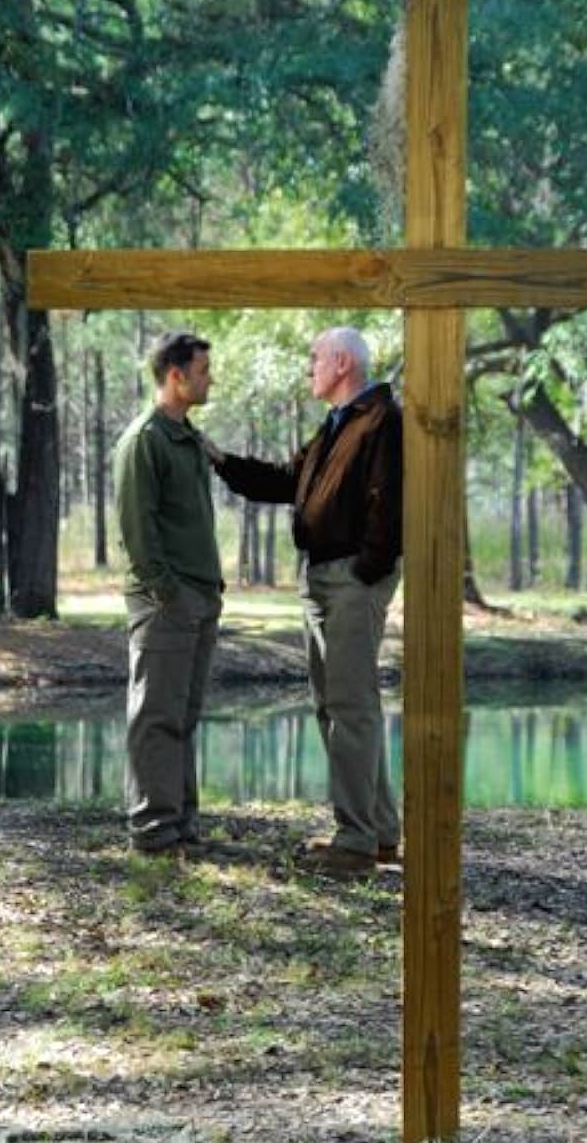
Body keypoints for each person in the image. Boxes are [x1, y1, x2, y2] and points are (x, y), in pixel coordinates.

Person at [208, 326, 402, 879]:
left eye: (315, 358)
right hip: (323, 577)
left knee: (350, 708)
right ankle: (379, 832)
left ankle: (356, 842)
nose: (309, 367)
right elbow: (287, 481)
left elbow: (390, 505)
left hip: (350, 579)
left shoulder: (383, 421)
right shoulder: (336, 426)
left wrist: (367, 570)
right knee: (338, 705)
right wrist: (221, 460)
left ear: (342, 363)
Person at [113, 330, 224, 855]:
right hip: (166, 603)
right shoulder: (145, 441)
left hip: (200, 597)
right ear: (176, 376)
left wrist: (205, 593)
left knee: (183, 714)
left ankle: (180, 822)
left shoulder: (188, 439)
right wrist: (168, 593)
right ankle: (153, 829)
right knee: (156, 714)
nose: (209, 378)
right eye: (202, 370)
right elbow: (139, 530)